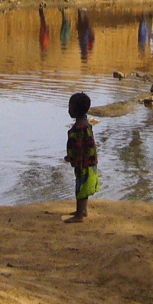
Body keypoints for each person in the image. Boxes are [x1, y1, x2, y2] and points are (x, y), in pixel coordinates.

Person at [63, 91, 99, 222]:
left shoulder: (79, 127)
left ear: (75, 110)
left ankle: (79, 215)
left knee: (80, 188)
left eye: (70, 107)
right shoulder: (86, 123)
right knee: (82, 187)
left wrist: (76, 161)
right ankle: (82, 210)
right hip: (90, 160)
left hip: (83, 162)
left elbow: (79, 147)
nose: (68, 110)